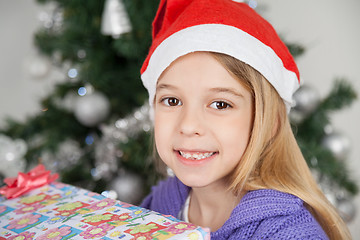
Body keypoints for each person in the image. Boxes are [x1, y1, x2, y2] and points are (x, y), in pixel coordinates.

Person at [139, 0, 351, 239]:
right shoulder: (159, 203)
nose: (188, 126)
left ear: (269, 122)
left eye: (220, 104)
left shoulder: (291, 234)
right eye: (172, 101)